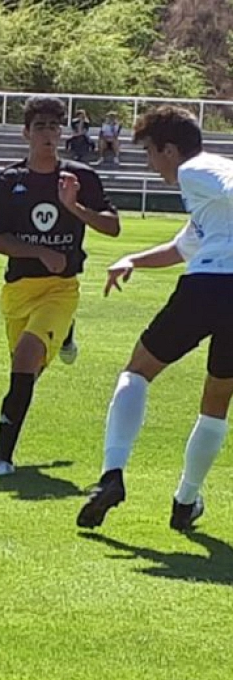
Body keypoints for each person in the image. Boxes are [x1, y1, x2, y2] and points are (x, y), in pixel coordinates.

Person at [77, 105, 233, 533]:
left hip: (209, 288)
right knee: (217, 401)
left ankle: (112, 477)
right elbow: (184, 247)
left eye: (149, 152)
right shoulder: (207, 198)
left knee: (138, 371)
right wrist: (133, 260)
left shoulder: (197, 170)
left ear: (169, 149)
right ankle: (185, 502)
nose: (150, 163)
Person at [0, 96, 120, 478]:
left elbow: (111, 226)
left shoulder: (79, 178)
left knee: (25, 357)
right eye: (40, 127)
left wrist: (74, 207)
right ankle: (66, 335)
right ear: (26, 133)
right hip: (18, 291)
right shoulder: (9, 181)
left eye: (54, 128)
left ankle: (0, 457)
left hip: (61, 288)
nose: (48, 135)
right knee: (28, 371)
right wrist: (39, 251)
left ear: (63, 134)